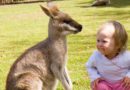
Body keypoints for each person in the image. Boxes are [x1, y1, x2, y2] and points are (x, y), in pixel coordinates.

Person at [86, 20, 130, 90]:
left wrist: (129, 76)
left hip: (122, 83)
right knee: (98, 86)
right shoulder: (96, 55)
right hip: (105, 83)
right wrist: (95, 76)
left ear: (118, 44)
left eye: (104, 41)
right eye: (98, 40)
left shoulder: (126, 56)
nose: (100, 44)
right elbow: (89, 66)